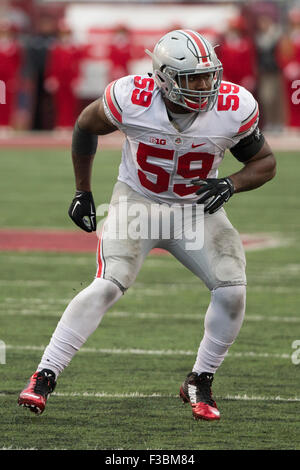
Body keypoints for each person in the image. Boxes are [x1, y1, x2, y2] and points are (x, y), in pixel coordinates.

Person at [18, 29, 276, 421]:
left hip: (195, 209)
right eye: (193, 79)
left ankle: (200, 380)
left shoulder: (233, 106)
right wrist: (82, 191)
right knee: (107, 284)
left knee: (232, 289)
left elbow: (265, 163)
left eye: (209, 76)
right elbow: (85, 125)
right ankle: (44, 375)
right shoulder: (132, 98)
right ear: (164, 78)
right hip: (138, 203)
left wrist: (231, 183)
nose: (206, 87)